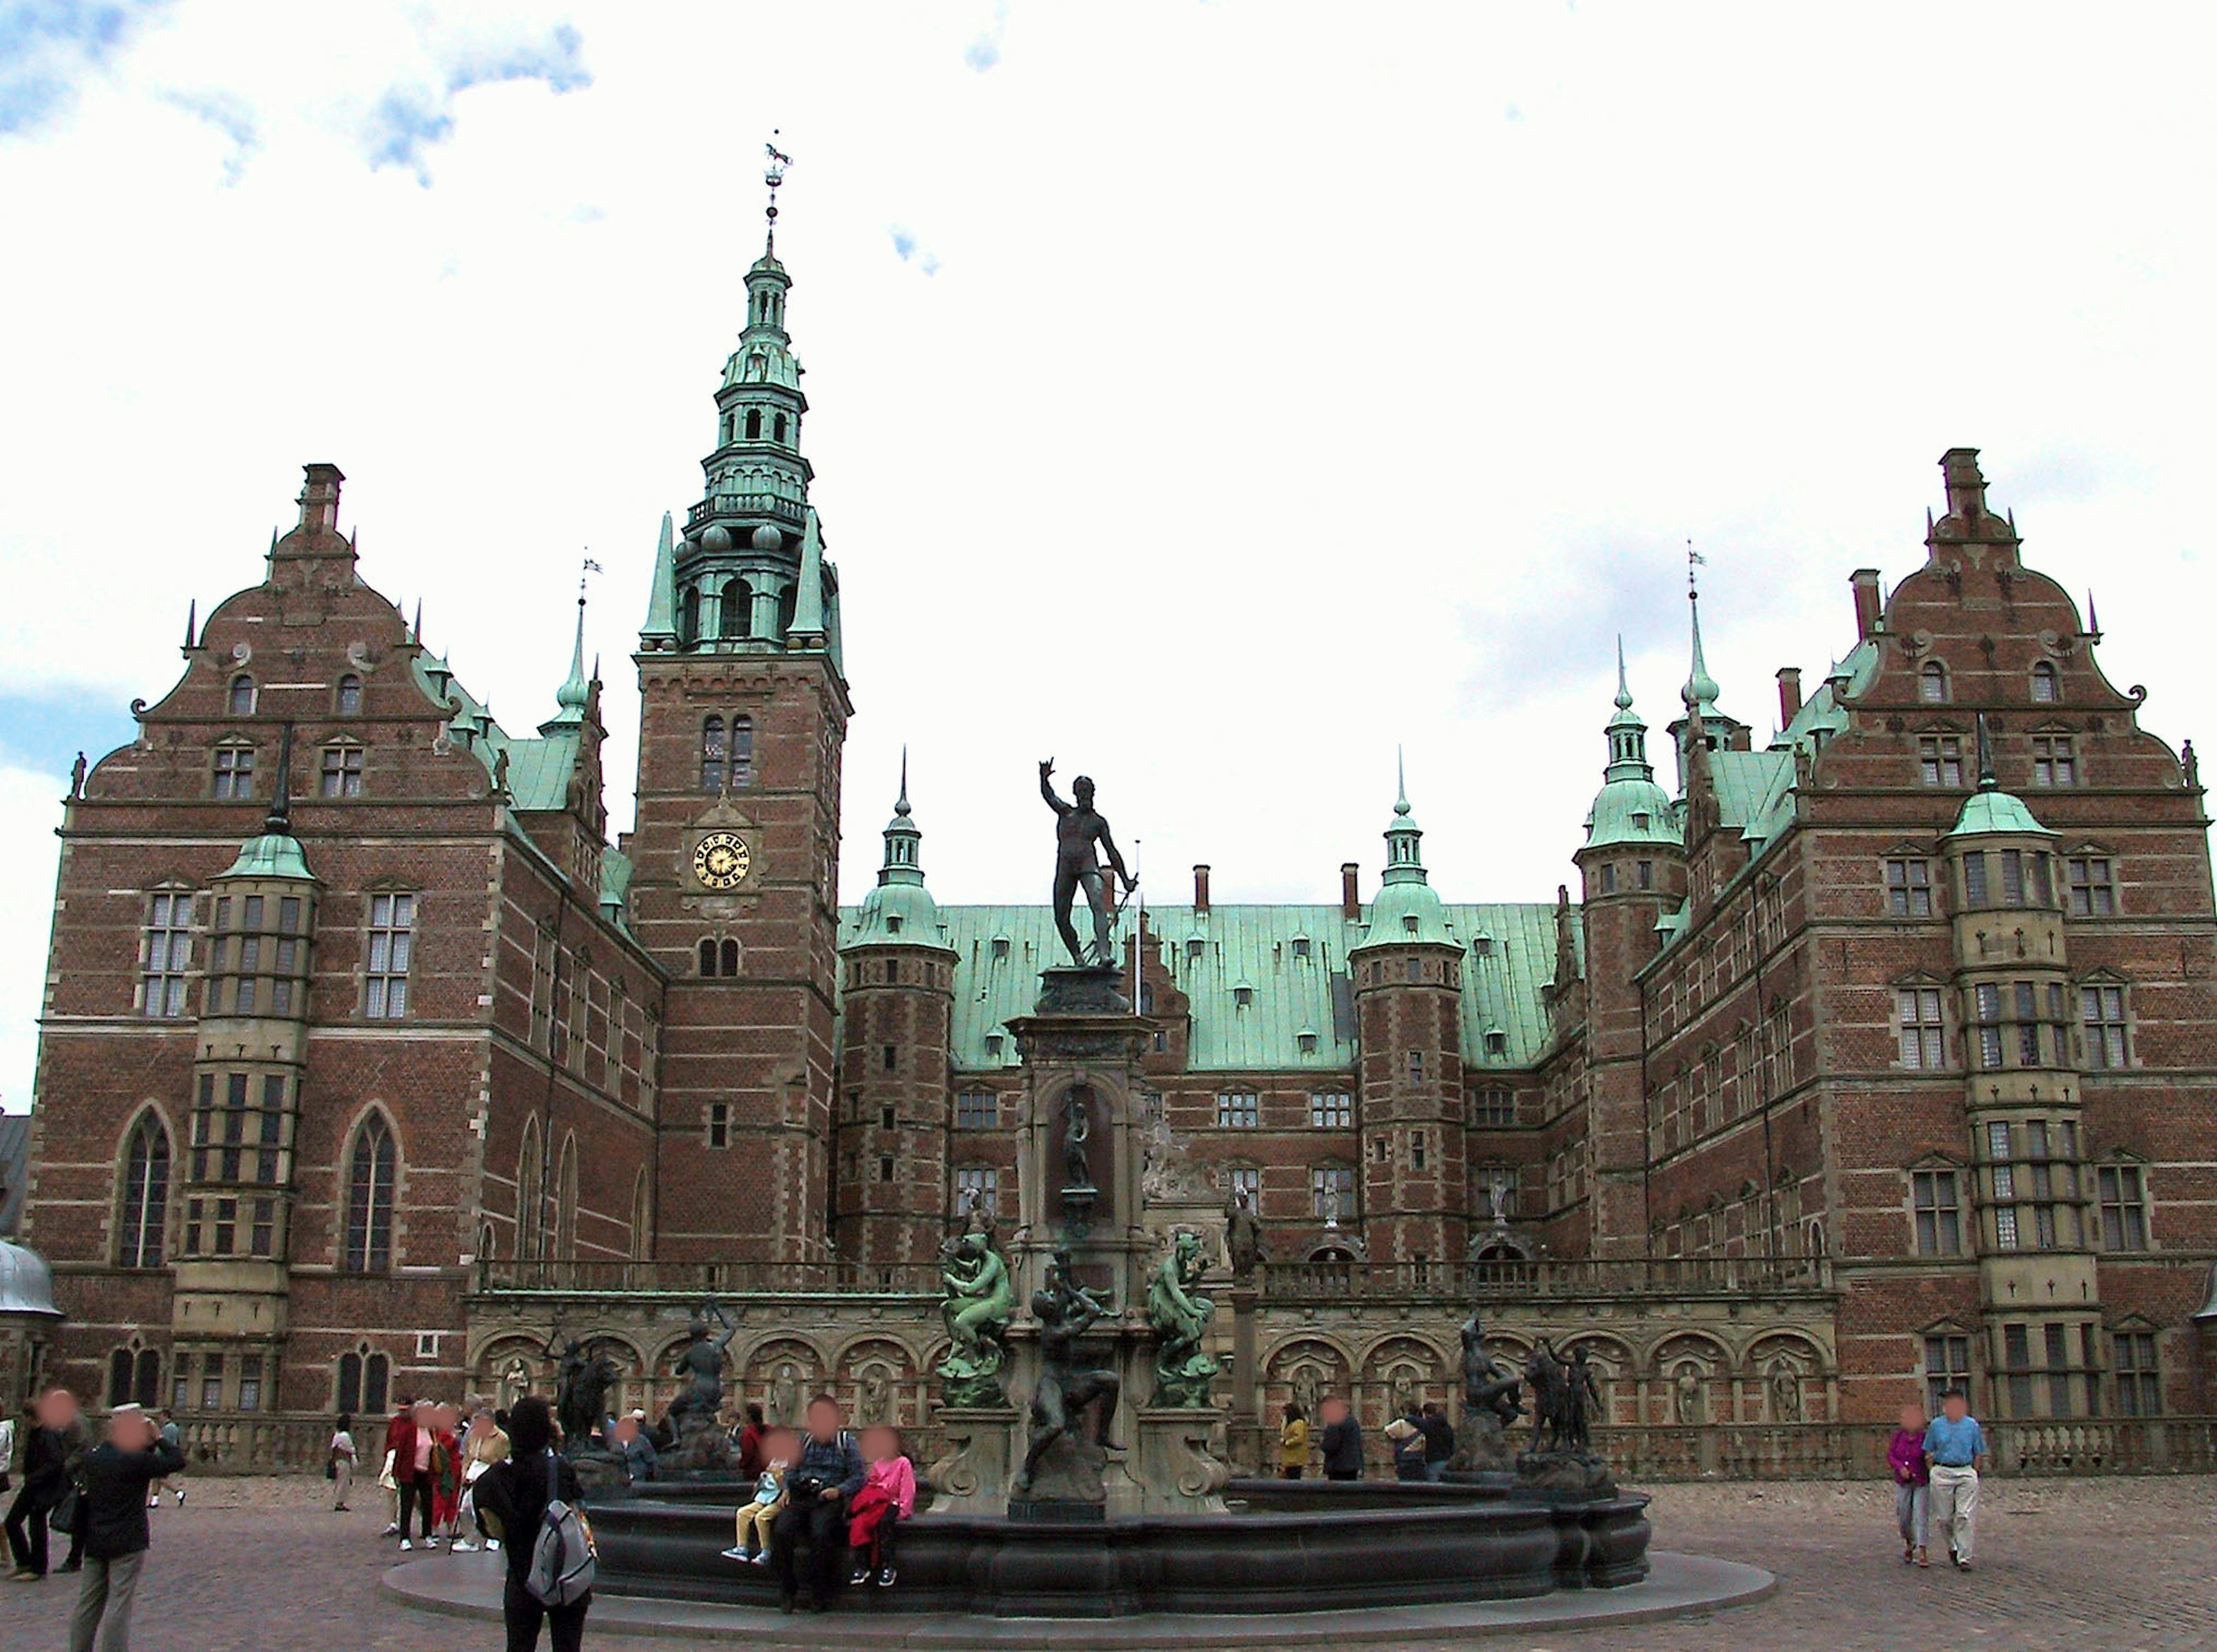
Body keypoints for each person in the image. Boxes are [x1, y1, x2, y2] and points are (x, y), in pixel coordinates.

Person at [473, 1395, 591, 1652]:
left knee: (519, 1645)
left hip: (523, 1575)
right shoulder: (560, 1469)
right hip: (564, 1572)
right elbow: (578, 1510)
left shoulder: (495, 1478)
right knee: (568, 1645)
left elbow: (486, 1527)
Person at [66, 1402, 185, 1652]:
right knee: (119, 1605)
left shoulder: (94, 1459)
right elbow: (176, 1460)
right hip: (128, 1540)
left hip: (96, 1539)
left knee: (88, 1604)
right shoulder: (137, 1461)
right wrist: (158, 1437)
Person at [770, 1394, 864, 1614]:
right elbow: (791, 1470)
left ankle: (819, 1593)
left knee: (821, 1535)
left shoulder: (846, 1443)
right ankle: (787, 1589)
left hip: (828, 1499)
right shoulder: (804, 1442)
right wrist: (787, 1489)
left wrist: (839, 1490)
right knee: (782, 1531)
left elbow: (859, 1477)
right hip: (803, 1498)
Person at [5, 1387, 76, 1581]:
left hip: (44, 1488)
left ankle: (37, 1567)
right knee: (12, 1522)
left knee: (37, 1525)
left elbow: (56, 1462)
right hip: (32, 1485)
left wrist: (35, 1477)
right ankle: (24, 1562)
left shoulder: (48, 1433)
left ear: (30, 1416)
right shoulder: (36, 1433)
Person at [1923, 1387, 1987, 1572]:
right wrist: (1932, 1471)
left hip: (1965, 1471)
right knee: (1944, 1519)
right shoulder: (1937, 1425)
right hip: (1943, 1471)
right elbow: (1928, 1450)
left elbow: (1978, 1452)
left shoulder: (1971, 1425)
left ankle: (1964, 1556)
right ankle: (1952, 1546)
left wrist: (1974, 1472)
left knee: (1964, 1515)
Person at [845, 1426, 915, 1589]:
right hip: (877, 1504)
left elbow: (907, 1488)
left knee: (884, 1525)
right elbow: (871, 1484)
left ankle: (888, 1565)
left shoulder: (903, 1463)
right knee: (860, 1525)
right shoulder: (878, 1464)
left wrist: (904, 1510)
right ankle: (862, 1565)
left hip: (893, 1504)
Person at [722, 1431, 793, 1564]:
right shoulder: (774, 1460)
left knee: (762, 1518)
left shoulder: (790, 1462)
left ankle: (766, 1551)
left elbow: (785, 1484)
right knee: (743, 1513)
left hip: (778, 1499)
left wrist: (778, 1476)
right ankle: (742, 1548)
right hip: (765, 1496)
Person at [453, 1407, 512, 1552]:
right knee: (466, 1509)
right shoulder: (473, 1435)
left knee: (487, 1509)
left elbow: (503, 1461)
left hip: (489, 1475)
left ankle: (493, 1538)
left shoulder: (501, 1438)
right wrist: (464, 1473)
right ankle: (470, 1539)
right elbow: (468, 1457)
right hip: (473, 1472)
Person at [1887, 1400, 1931, 1567]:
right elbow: (1891, 1455)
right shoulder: (1899, 1436)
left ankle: (1923, 1551)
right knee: (1904, 1516)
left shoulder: (1925, 1437)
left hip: (1921, 1481)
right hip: (1903, 1482)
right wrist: (1900, 1468)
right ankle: (1909, 1543)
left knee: (1921, 1516)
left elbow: (1930, 1454)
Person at [397, 1400, 439, 1551]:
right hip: (410, 1472)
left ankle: (427, 1535)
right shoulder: (409, 1432)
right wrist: (397, 1473)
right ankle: (405, 1538)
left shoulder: (431, 1431)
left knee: (428, 1504)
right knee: (407, 1505)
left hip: (426, 1473)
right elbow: (401, 1453)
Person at [379, 1397, 415, 1537]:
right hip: (394, 1458)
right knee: (391, 1491)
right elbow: (389, 1440)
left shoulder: (414, 1424)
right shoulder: (395, 1422)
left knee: (412, 1495)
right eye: (400, 1410)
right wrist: (388, 1453)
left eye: (405, 1410)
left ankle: (425, 1522)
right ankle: (393, 1522)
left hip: (408, 1461)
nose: (402, 1413)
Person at [1318, 1394, 1363, 1482]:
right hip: (1352, 1465)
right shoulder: (1352, 1419)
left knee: (1338, 1493)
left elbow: (1331, 1445)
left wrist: (1323, 1444)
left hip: (1338, 1466)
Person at [612, 1415, 657, 1486]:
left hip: (639, 1478)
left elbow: (651, 1459)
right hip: (619, 1479)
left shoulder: (642, 1440)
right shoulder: (613, 1440)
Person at [1385, 1409, 1427, 1482]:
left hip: (1404, 1458)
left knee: (1405, 1484)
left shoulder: (1402, 1423)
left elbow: (1388, 1430)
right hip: (1418, 1458)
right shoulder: (1424, 1424)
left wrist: (1396, 1438)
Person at [1419, 1402, 1455, 1483]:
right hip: (1447, 1459)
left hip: (1433, 1459)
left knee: (1433, 1487)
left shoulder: (1427, 1426)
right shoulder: (1446, 1425)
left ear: (1425, 1413)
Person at [330, 1414, 358, 1512]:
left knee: (341, 1482)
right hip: (344, 1461)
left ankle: (340, 1501)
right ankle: (339, 1503)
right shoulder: (345, 1436)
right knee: (344, 1482)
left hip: (339, 1461)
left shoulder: (337, 1435)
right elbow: (350, 1450)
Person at [733, 1403, 768, 1481]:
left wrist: (741, 1465)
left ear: (749, 1416)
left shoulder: (748, 1433)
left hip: (753, 1473)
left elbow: (747, 1454)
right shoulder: (769, 1429)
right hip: (769, 1471)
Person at [1277, 1403, 1310, 1481]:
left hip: (1296, 1459)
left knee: (1294, 1478)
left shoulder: (1298, 1423)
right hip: (1290, 1458)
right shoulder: (1291, 1424)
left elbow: (1299, 1438)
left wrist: (1286, 1442)